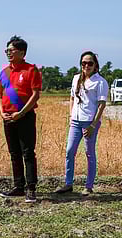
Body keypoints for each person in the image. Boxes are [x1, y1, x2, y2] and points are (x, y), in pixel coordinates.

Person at [55, 51, 108, 196]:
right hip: (75, 121)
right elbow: (72, 97)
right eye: (84, 63)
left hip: (89, 122)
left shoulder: (100, 82)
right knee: (69, 151)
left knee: (89, 153)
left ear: (95, 65)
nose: (86, 65)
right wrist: (71, 114)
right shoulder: (76, 78)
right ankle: (68, 183)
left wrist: (92, 125)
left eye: (90, 63)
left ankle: (89, 186)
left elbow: (101, 104)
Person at [0, 35, 41, 203]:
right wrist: (2, 112)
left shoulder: (31, 70)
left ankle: (31, 188)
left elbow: (35, 94)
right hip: (8, 117)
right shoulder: (4, 71)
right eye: (7, 50)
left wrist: (21, 113)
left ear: (22, 52)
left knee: (27, 153)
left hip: (25, 117)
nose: (8, 53)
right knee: (14, 153)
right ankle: (18, 186)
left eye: (11, 50)